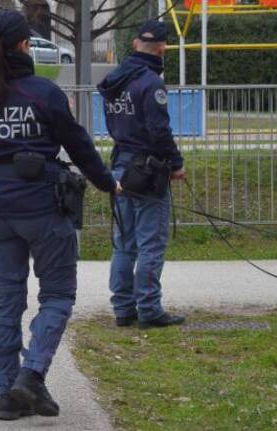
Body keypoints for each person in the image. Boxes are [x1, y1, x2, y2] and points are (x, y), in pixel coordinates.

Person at [0, 10, 120, 421]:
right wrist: (108, 183)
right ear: (25, 45)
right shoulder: (44, 93)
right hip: (42, 208)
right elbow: (78, 146)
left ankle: (8, 392)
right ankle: (32, 375)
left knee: (6, 301)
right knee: (57, 295)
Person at [98, 20, 186, 330]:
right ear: (162, 49)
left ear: (135, 44)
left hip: (121, 165)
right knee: (151, 242)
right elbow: (159, 131)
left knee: (124, 242)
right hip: (148, 171)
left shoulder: (115, 80)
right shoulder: (151, 83)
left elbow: (112, 123)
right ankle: (149, 309)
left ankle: (123, 308)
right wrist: (176, 163)